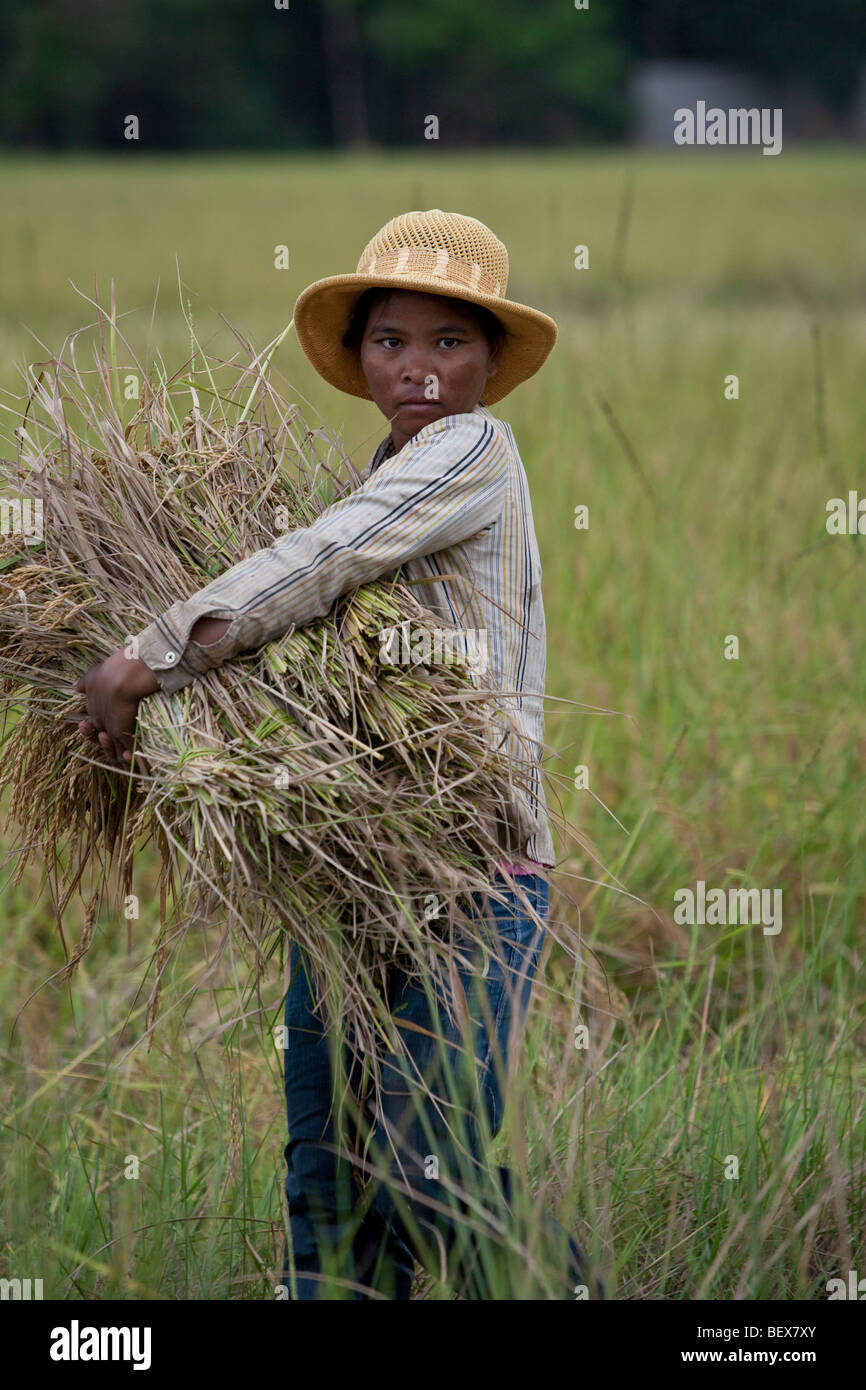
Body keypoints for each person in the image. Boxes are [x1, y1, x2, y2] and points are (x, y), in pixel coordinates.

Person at [73, 208, 595, 1299]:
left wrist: (146, 658)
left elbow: (323, 560)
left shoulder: (469, 451)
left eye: (448, 343)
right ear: (358, 358)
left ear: (492, 365)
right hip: (356, 880)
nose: (417, 369)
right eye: (389, 342)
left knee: (423, 1168)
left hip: (471, 878)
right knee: (328, 1179)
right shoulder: (384, 468)